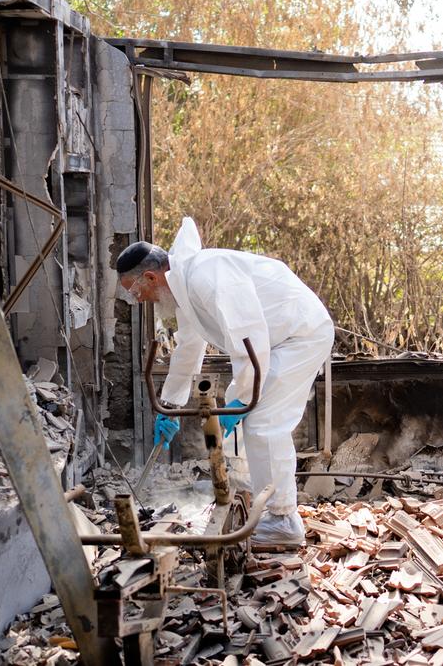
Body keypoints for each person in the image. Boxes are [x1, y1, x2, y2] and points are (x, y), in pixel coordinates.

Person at [116, 217, 333, 547]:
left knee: (263, 422)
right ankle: (270, 509)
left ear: (150, 276)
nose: (140, 300)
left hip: (299, 335)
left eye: (136, 292)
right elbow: (189, 346)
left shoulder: (207, 274)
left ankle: (283, 521)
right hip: (276, 342)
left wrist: (240, 402)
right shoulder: (184, 287)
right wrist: (170, 405)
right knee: (255, 418)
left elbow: (248, 335)